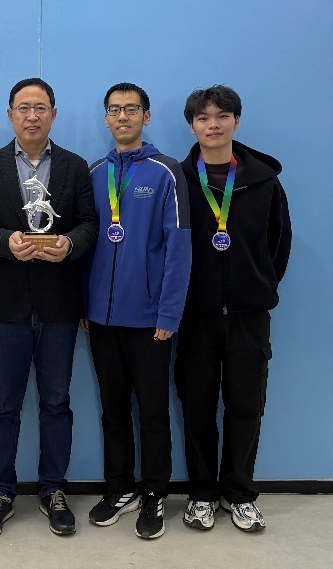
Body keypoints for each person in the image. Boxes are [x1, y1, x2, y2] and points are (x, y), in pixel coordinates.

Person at [0, 77, 98, 540]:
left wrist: (69, 244)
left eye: (41, 107)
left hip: (60, 305)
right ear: (10, 115)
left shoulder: (75, 167)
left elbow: (90, 224)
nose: (32, 115)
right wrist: (7, 242)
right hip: (7, 306)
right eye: (24, 107)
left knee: (57, 402)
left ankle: (53, 489)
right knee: (4, 404)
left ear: (53, 115)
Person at [175, 85, 291, 533]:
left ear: (236, 122)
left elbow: (279, 243)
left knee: (246, 407)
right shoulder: (178, 180)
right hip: (195, 315)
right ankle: (203, 494)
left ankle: (239, 494)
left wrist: (257, 286)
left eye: (222, 116)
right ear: (192, 126)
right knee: (197, 407)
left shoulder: (264, 181)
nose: (213, 125)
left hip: (248, 315)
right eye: (203, 118)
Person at [82, 83, 191, 539]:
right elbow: (86, 243)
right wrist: (85, 305)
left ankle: (155, 493)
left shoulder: (166, 171)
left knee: (152, 411)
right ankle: (120, 487)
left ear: (145, 116)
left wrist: (168, 315)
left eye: (131, 109)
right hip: (101, 320)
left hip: (149, 320)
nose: (122, 116)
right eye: (114, 110)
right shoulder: (94, 172)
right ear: (106, 118)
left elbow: (178, 248)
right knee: (112, 408)